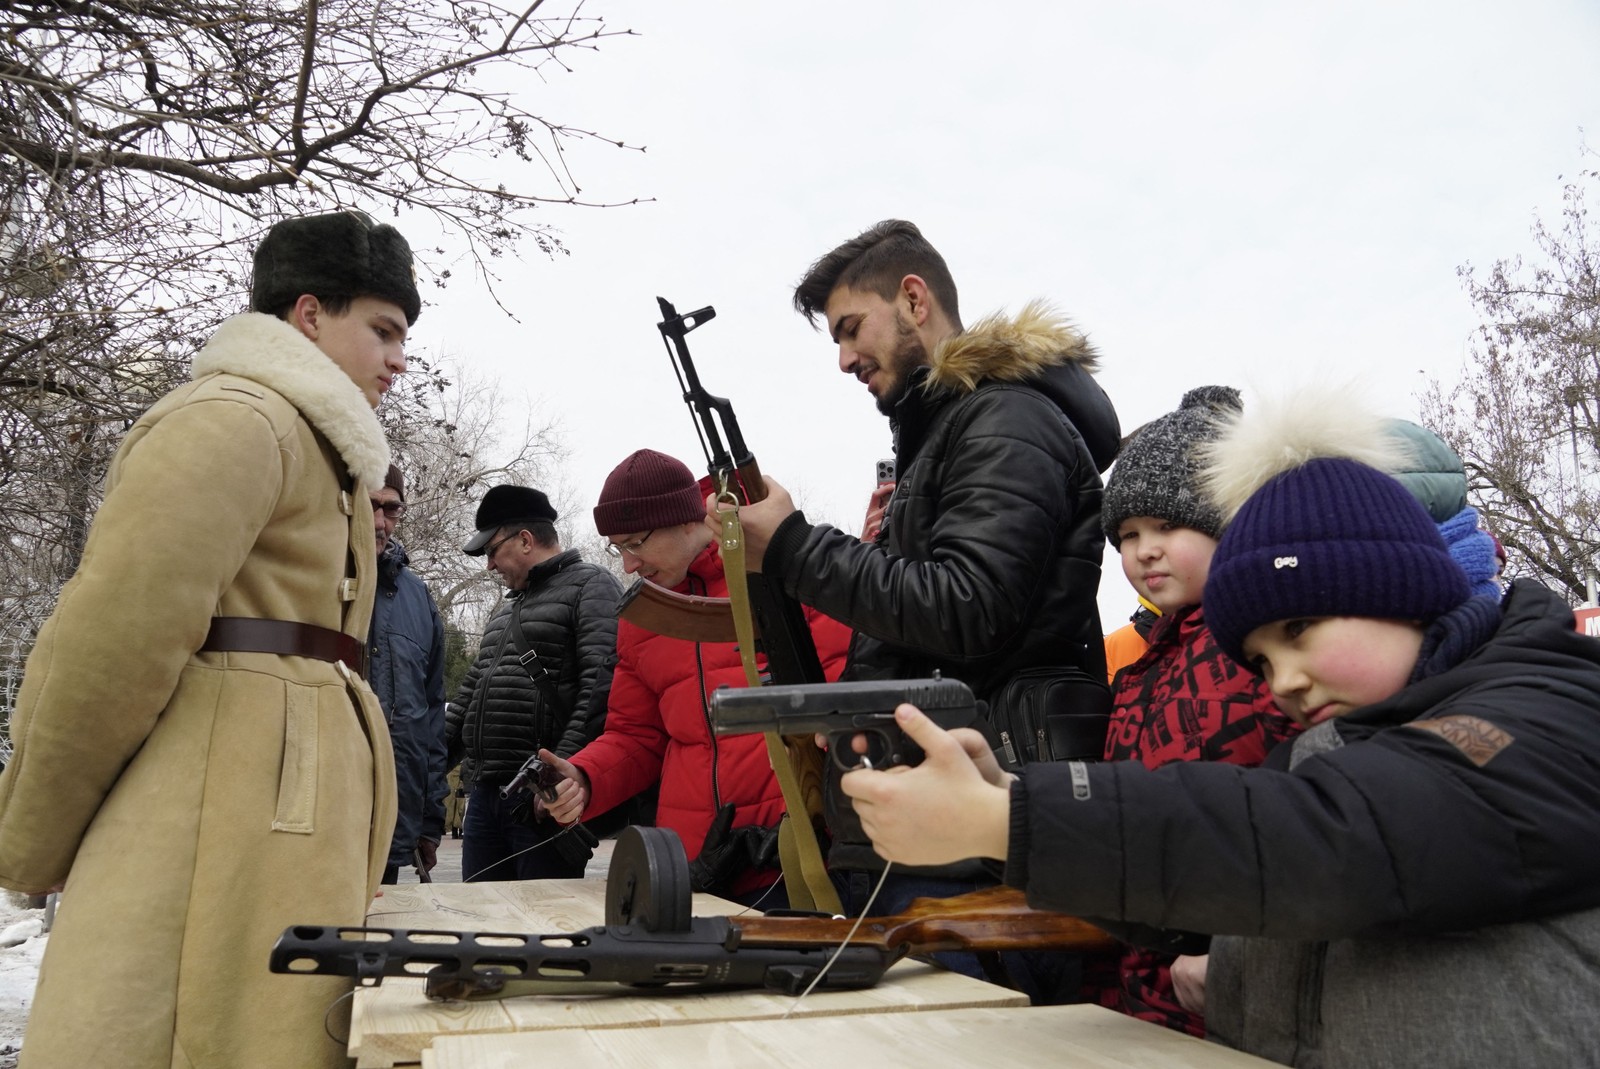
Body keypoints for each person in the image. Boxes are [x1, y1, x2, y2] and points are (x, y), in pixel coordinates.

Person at [841, 393, 1600, 1068]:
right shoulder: (1335, 741)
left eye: (1300, 627)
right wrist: (1002, 795)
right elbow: (1232, 879)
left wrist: (1012, 819)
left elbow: (1326, 841)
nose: (1285, 681)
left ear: (1400, 590)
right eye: (1261, 661)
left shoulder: (1544, 708)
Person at [0, 210, 414, 1067]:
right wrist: (32, 841)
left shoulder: (315, 448)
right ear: (308, 314)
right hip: (206, 831)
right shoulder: (235, 421)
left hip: (261, 831)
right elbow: (113, 638)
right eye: (382, 330)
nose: (397, 360)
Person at [713, 219, 1121, 916]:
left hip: (975, 842)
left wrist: (792, 546)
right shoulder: (950, 434)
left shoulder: (1006, 421)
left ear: (912, 298)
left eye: (850, 328)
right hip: (937, 827)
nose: (843, 358)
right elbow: (923, 637)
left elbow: (968, 606)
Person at [543, 449, 852, 908]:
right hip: (691, 866)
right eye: (617, 547)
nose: (628, 564)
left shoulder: (783, 572)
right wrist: (585, 777)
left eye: (635, 542)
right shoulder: (644, 615)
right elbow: (636, 735)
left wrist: (810, 824)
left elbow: (844, 706)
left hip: (796, 856)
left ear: (687, 520)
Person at [1093, 385, 1297, 1036]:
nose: (1144, 550)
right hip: (1146, 989)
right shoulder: (1139, 667)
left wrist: (1240, 955)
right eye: (1127, 533)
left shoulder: (1270, 650)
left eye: (1168, 525)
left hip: (1234, 988)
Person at [447, 484, 621, 881]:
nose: (489, 565)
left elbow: (600, 692)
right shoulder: (505, 611)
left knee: (542, 933)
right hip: (486, 798)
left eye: (491, 551)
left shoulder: (591, 587)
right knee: (479, 925)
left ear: (525, 540)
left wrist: (552, 782)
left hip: (542, 804)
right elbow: (466, 701)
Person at [369, 463, 449, 883]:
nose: (380, 523)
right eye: (369, 506)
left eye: (391, 510)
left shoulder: (418, 598)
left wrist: (430, 818)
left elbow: (431, 717)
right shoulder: (310, 580)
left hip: (392, 823)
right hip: (317, 821)